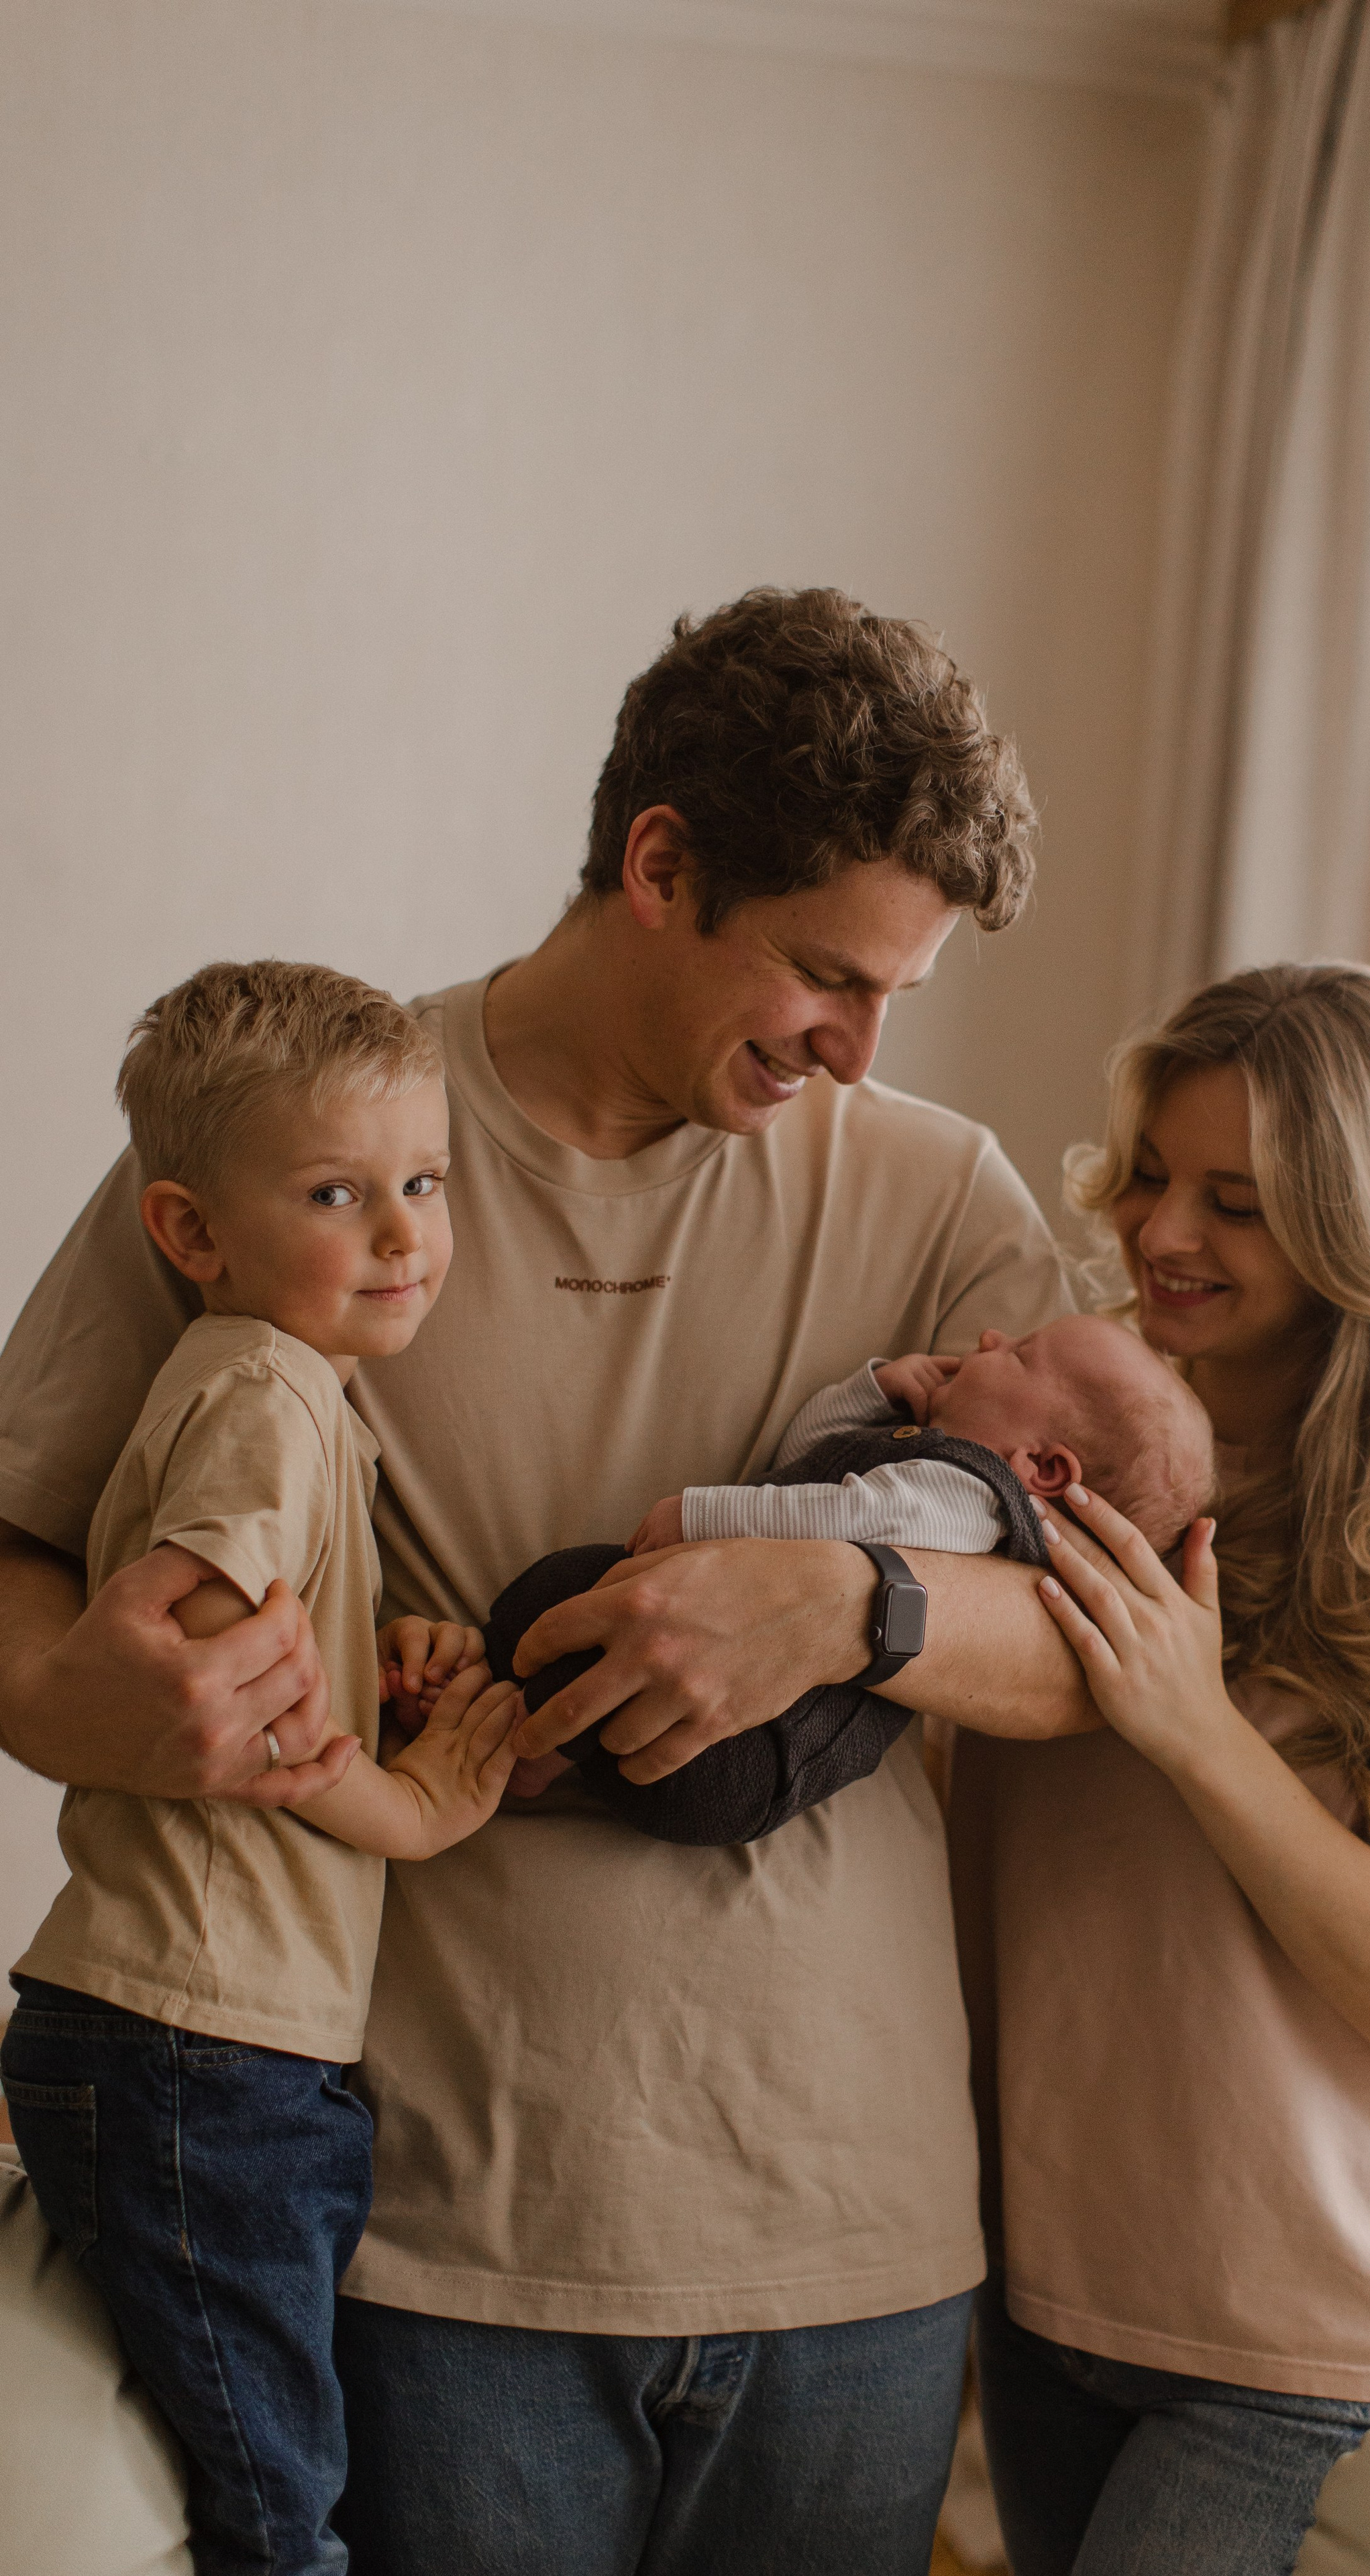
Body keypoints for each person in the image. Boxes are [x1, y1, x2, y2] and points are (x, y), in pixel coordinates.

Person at [0, 588, 1096, 2576]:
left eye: (897, 999)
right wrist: (78, 1698)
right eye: (825, 976)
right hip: (429, 2246)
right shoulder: (304, 1143)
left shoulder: (938, 1193)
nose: (855, 1050)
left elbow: (1113, 1643)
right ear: (658, 861)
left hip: (854, 2260)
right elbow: (19, 1545)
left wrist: (857, 1601)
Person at [950, 964, 1370, 2576]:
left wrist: (1192, 1727)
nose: (1161, 1232)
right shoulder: (1042, 1459)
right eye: (1152, 1175)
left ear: (1360, 1224)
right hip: (1039, 2280)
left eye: (1234, 1202)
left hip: (1301, 2346)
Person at [2, 961, 523, 2576]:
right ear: (188, 1230)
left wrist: (375, 1649)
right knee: (278, 2513)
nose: (401, 1232)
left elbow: (266, 1653)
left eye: (423, 1182)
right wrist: (418, 1802)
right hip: (193, 2041)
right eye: (337, 1191)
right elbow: (226, 1701)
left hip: (210, 2039)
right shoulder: (267, 1395)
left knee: (247, 2475)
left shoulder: (291, 1390)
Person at [480, 1317, 1216, 1841]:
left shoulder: (970, 1498)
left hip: (748, 1747)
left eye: (1019, 1355)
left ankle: (534, 1750)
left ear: (1043, 1467)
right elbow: (808, 1458)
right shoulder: (927, 1465)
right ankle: (535, 1736)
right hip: (709, 1727)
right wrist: (875, 1391)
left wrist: (702, 1514)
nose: (989, 1338)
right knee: (577, 1606)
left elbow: (844, 1515)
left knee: (563, 1593)